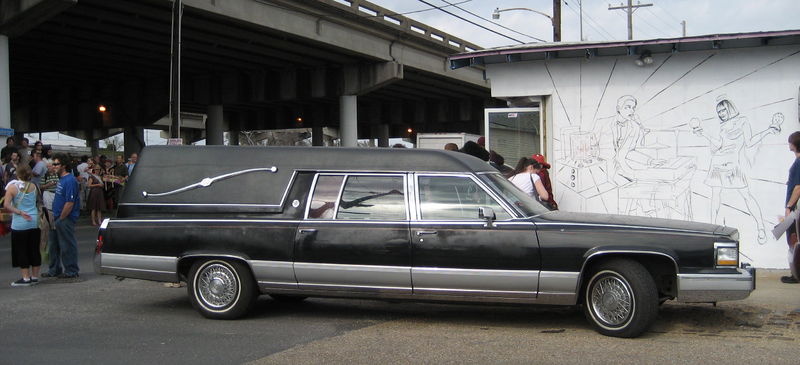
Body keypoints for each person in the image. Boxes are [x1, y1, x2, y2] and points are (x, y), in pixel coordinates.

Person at [693, 97, 779, 243]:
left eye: (723, 110)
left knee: (746, 195)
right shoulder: (722, 126)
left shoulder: (742, 121)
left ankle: (760, 227)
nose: (721, 113)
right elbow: (719, 145)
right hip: (717, 163)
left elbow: (750, 142)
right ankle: (711, 228)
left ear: (730, 108)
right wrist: (704, 135)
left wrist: (768, 131)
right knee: (715, 195)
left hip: (733, 165)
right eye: (718, 111)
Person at [42, 155, 81, 280]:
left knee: (67, 245)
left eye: (56, 164)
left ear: (63, 165)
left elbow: (69, 203)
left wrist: (61, 218)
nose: (53, 166)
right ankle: (54, 269)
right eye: (53, 164)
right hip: (56, 216)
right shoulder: (62, 179)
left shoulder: (70, 180)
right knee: (54, 245)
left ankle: (71, 270)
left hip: (64, 218)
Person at [4, 165, 41, 286]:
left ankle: (25, 278)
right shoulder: (34, 186)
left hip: (20, 222)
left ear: (18, 174)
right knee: (34, 249)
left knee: (21, 250)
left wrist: (19, 212)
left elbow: (7, 205)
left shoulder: (13, 188)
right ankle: (35, 277)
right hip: (34, 220)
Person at [782, 131, 800, 284]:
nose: (788, 144)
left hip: (795, 208)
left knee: (793, 239)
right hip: (795, 207)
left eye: (790, 142)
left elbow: (798, 187)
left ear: (794, 144)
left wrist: (789, 206)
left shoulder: (799, 162)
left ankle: (796, 274)